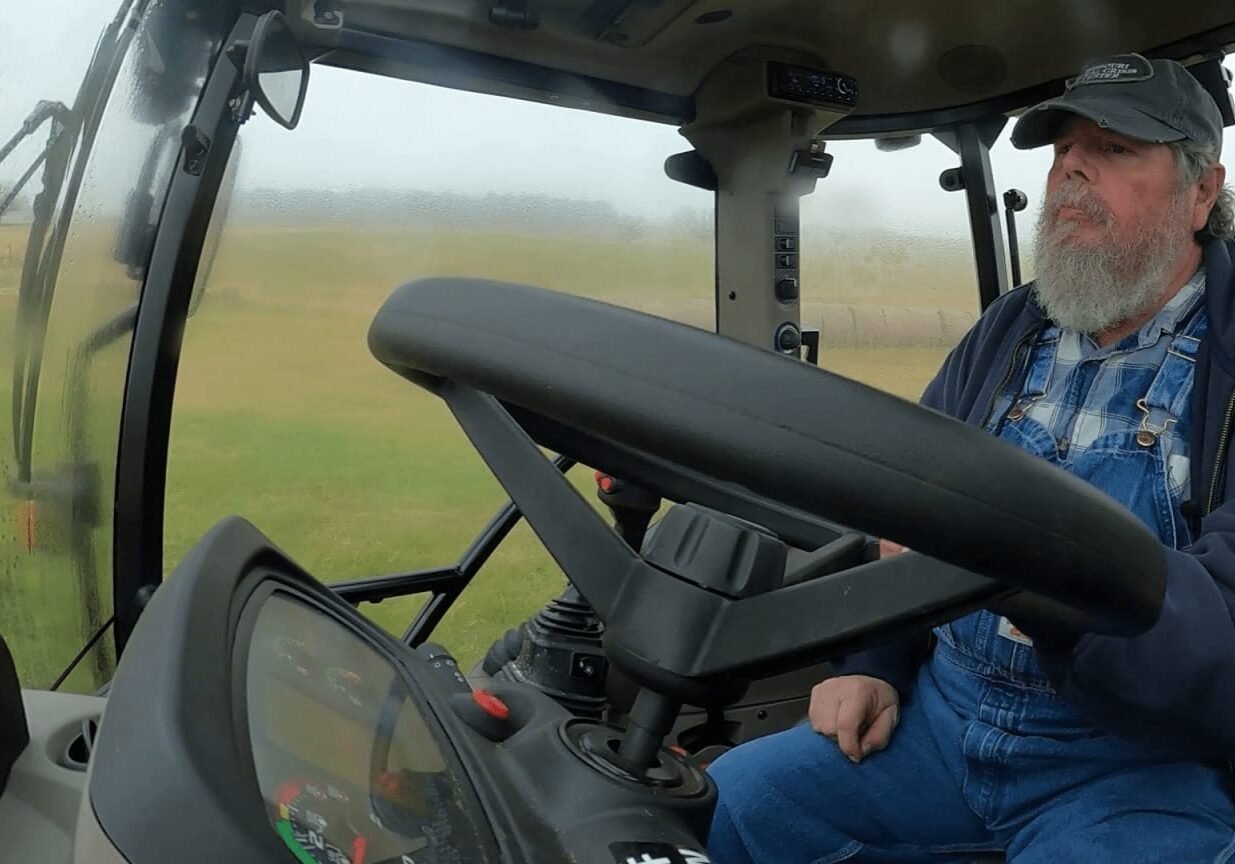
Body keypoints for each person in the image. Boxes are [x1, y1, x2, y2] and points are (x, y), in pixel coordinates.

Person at [707, 53, 1235, 863]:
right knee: (741, 803)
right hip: (944, 719)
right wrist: (876, 659)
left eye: (1116, 148)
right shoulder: (1010, 329)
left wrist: (1043, 582)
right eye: (1061, 149)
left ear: (1201, 193)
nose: (1071, 170)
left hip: (1133, 764)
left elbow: (1220, 630)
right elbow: (903, 499)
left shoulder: (1225, 365)